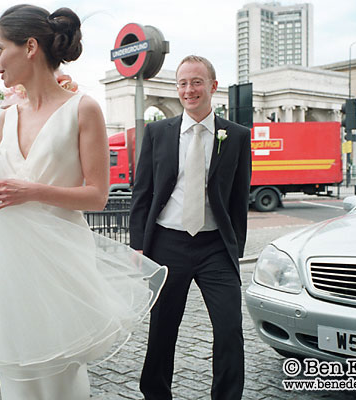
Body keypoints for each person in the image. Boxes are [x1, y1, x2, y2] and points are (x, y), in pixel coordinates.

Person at [0, 5, 166, 400]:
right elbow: (13, 184)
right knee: (18, 375)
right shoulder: (7, 116)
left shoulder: (83, 108)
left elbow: (97, 195)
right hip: (10, 267)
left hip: (59, 265)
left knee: (58, 375)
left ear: (28, 47)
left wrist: (32, 192)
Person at [130, 55, 251, 400]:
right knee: (163, 329)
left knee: (229, 329)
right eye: (182, 83)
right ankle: (155, 394)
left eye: (196, 81)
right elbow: (143, 191)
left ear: (213, 86)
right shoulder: (157, 133)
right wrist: (138, 245)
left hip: (215, 247)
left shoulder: (237, 136)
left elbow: (240, 197)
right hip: (168, 245)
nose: (189, 89)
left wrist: (234, 249)